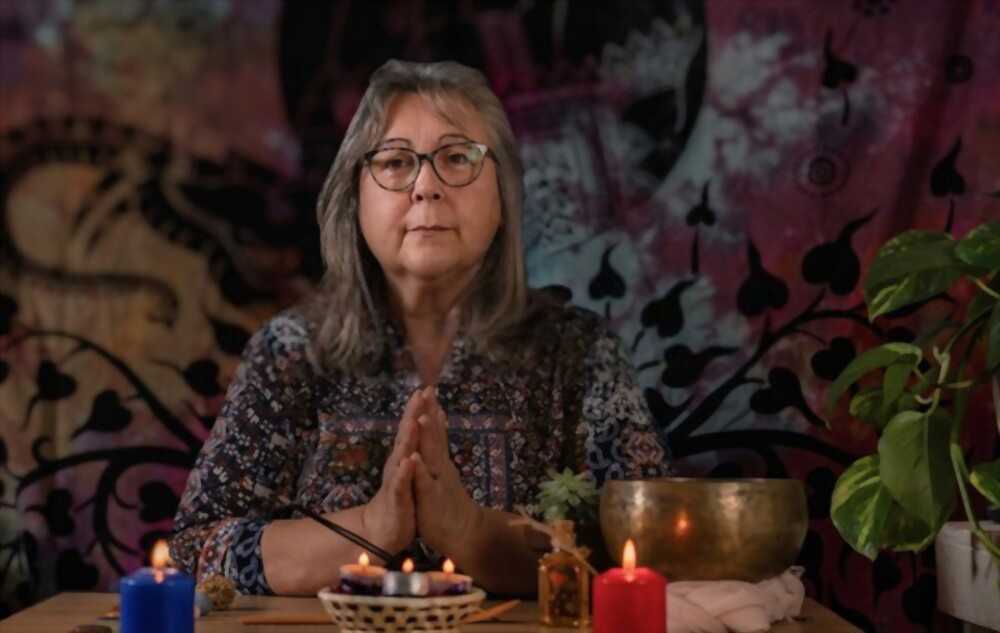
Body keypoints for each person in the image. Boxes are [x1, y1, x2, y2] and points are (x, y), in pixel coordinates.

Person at [169, 59, 670, 597]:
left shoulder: (579, 352)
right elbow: (197, 548)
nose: (426, 186)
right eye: (396, 161)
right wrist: (372, 528)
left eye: (457, 158)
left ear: (504, 193)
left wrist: (469, 532)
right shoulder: (290, 352)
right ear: (354, 196)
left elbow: (650, 548)